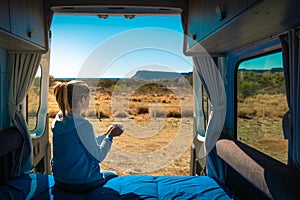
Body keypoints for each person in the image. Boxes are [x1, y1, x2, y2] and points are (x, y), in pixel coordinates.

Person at [51, 80, 123, 193]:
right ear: (82, 99)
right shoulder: (83, 125)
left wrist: (104, 135)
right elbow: (97, 156)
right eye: (88, 99)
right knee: (113, 175)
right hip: (81, 183)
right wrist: (110, 137)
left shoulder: (58, 120)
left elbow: (80, 143)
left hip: (60, 180)